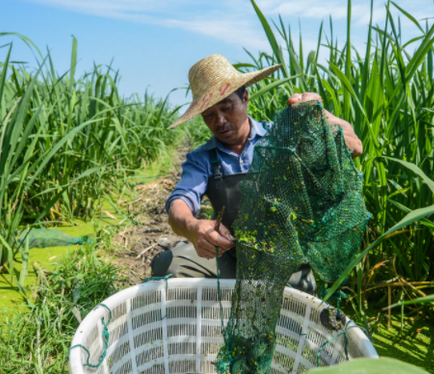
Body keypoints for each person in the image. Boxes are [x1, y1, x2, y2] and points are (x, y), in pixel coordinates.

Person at [150, 54, 362, 294]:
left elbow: (354, 145)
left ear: (245, 98)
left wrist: (317, 116)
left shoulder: (280, 138)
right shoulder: (202, 158)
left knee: (294, 297)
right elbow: (179, 202)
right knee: (169, 266)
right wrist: (192, 226)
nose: (219, 120)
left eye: (226, 106)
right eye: (209, 114)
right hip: (230, 256)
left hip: (284, 260)